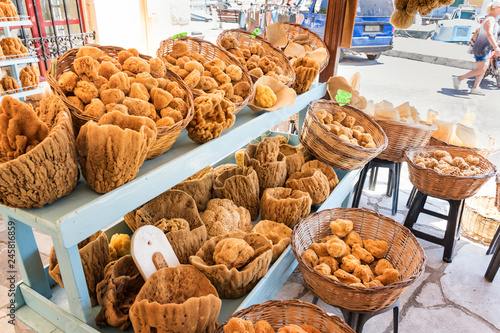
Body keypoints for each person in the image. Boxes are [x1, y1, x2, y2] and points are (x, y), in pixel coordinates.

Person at [452, 0, 500, 95]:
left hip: (486, 47)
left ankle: (475, 88)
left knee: (483, 68)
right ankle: (458, 79)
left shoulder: (493, 19)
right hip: (482, 47)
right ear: (496, 8)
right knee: (481, 69)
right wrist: (496, 47)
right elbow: (489, 34)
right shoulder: (490, 19)